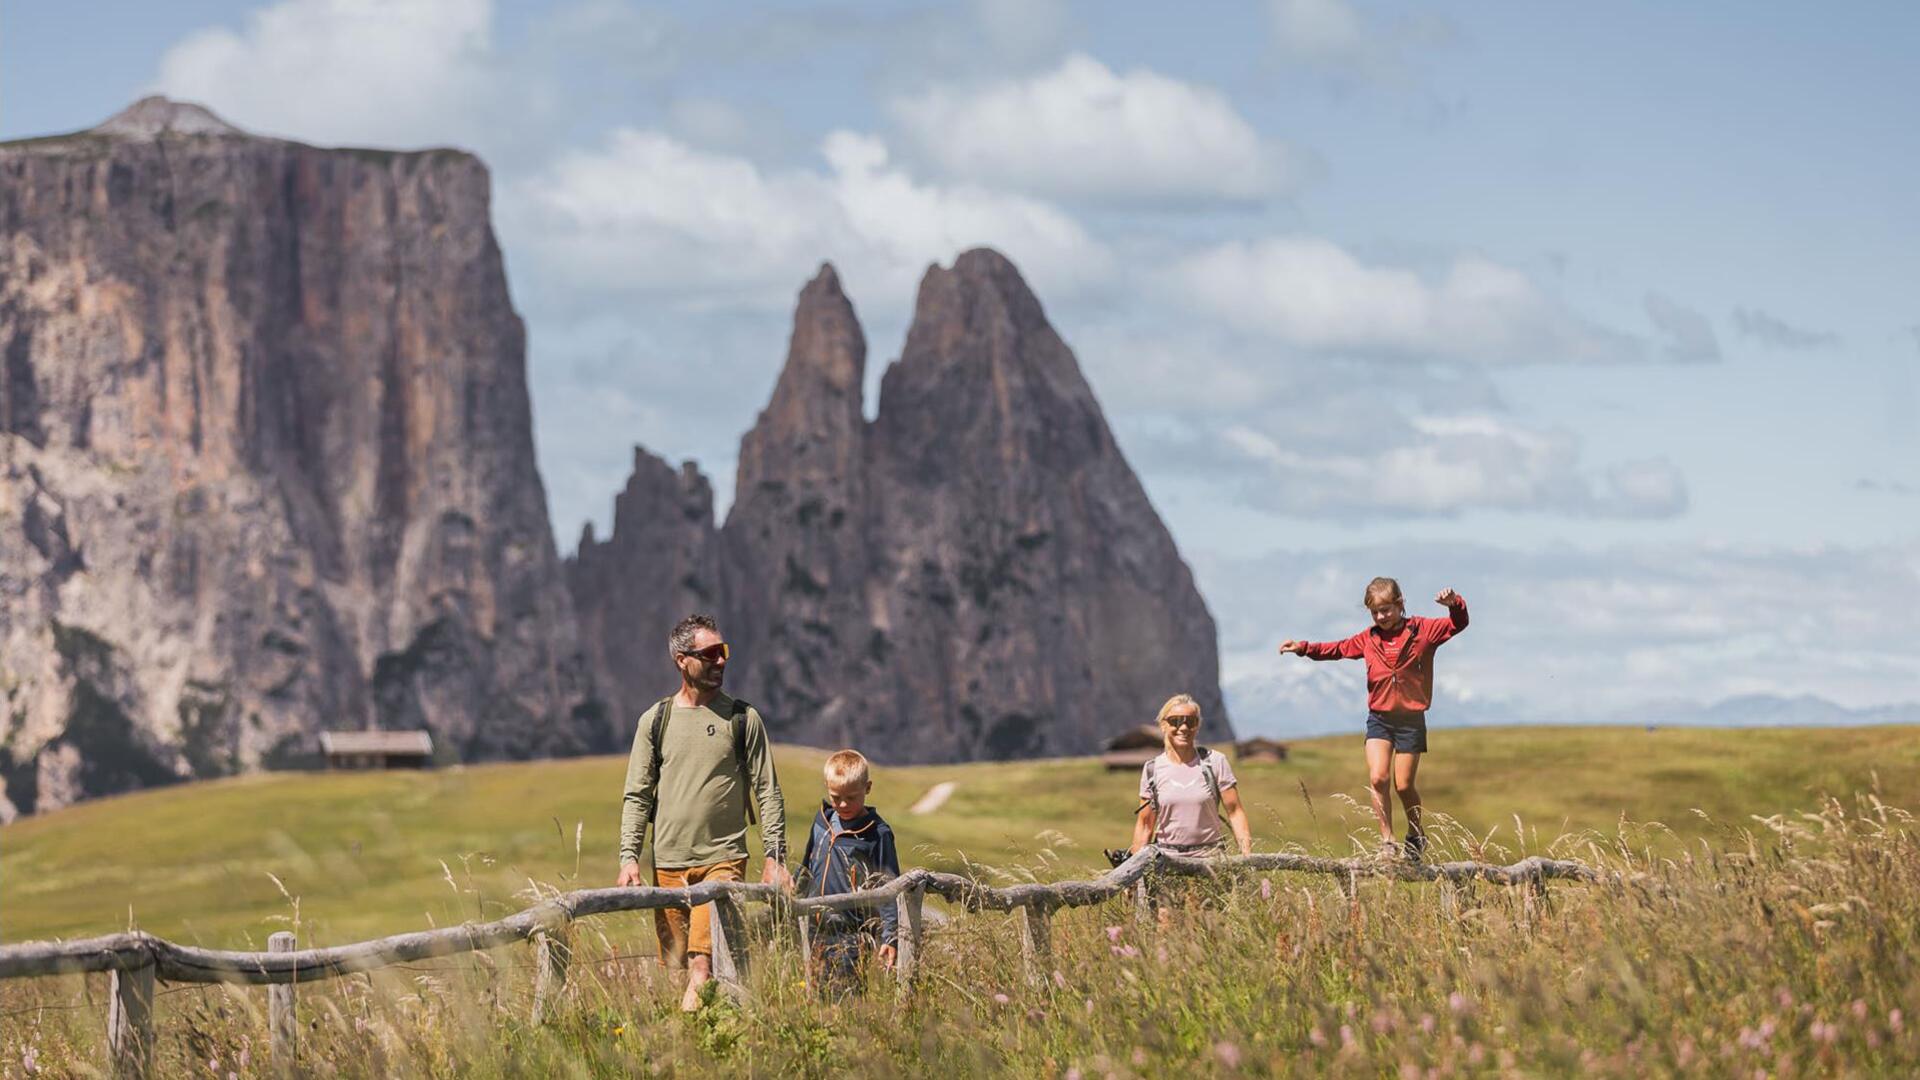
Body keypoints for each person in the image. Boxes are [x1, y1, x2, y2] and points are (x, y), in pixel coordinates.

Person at [617, 613, 791, 1011]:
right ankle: (734, 1031)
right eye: (710, 653)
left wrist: (775, 857)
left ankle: (688, 1045)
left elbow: (768, 791)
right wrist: (629, 858)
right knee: (687, 966)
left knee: (702, 967)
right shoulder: (655, 720)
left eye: (723, 652)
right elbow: (637, 795)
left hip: (723, 860)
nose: (721, 661)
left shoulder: (743, 719)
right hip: (669, 865)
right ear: (682, 660)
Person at [1277, 578, 1468, 861]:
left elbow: (1458, 623)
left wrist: (1454, 603)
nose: (1381, 617)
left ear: (1400, 604)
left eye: (1386, 610)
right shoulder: (1368, 639)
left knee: (1403, 785)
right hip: (1379, 718)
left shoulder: (1424, 630)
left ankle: (1416, 834)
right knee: (1378, 777)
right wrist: (1304, 648)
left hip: (1411, 720)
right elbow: (1337, 649)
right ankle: (1387, 841)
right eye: (1375, 612)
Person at [1130, 694, 1253, 909]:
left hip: (1211, 860)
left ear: (1197, 726)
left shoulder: (1215, 762)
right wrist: (1132, 871)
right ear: (1163, 725)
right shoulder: (1152, 770)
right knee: (1167, 930)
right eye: (1175, 721)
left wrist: (1246, 856)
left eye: (1190, 721)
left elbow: (1235, 811)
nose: (1183, 727)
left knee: (1210, 929)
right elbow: (1145, 824)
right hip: (1167, 861)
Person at [794, 749, 901, 993]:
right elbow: (806, 867)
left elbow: (888, 888)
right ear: (827, 787)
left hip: (851, 935)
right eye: (836, 797)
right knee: (814, 994)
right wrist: (791, 900)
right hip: (814, 928)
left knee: (845, 997)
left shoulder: (876, 834)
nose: (843, 805)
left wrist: (889, 936)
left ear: (868, 788)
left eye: (851, 797)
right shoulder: (821, 821)